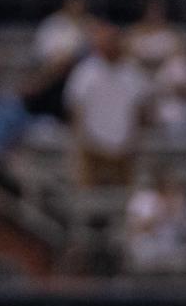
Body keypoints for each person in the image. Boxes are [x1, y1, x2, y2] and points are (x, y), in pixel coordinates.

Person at [64, 23, 151, 187]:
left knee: (126, 193)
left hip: (125, 145)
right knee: (87, 193)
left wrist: (136, 140)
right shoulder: (85, 72)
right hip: (91, 146)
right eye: (103, 41)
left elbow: (142, 111)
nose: (107, 45)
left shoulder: (133, 73)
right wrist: (79, 142)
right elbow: (75, 109)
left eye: (111, 41)